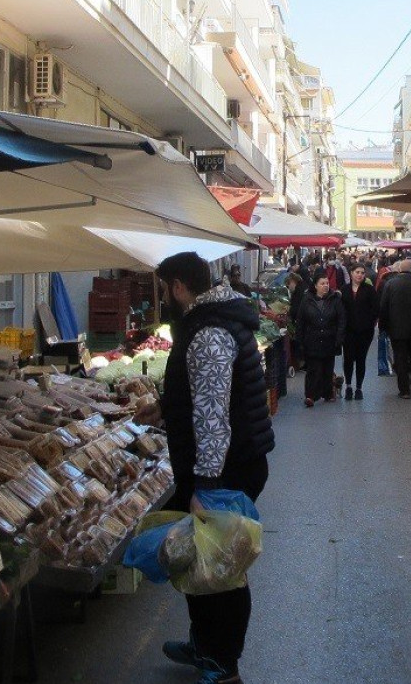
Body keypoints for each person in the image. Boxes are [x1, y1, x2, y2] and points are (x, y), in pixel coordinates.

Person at [141, 252, 275, 684]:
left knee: (223, 567)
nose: (163, 296)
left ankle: (224, 664)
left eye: (164, 288)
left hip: (227, 468)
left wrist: (205, 485)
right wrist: (164, 409)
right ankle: (204, 646)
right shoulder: (214, 321)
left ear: (178, 287)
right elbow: (204, 392)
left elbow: (214, 415)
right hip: (227, 462)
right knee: (199, 560)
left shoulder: (210, 333)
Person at [379, 259, 411, 399]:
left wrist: (383, 326)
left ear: (400, 270)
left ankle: (404, 390)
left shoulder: (390, 284)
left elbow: (384, 307)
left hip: (396, 330)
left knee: (400, 359)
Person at [296, 273, 345, 407]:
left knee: (328, 368)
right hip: (312, 340)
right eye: (322, 283)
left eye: (327, 283)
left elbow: (341, 319)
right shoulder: (307, 300)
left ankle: (328, 393)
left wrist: (339, 338)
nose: (325, 286)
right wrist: (299, 340)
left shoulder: (335, 299)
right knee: (313, 369)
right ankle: (311, 395)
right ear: (316, 285)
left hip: (330, 339)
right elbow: (300, 321)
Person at [340, 264, 377, 401]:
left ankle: (359, 388)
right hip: (348, 332)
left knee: (361, 359)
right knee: (348, 359)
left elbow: (375, 309)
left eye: (362, 272)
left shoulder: (370, 290)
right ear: (351, 273)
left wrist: (368, 323)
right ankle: (348, 386)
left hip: (364, 332)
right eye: (357, 272)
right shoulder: (344, 290)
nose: (360, 275)